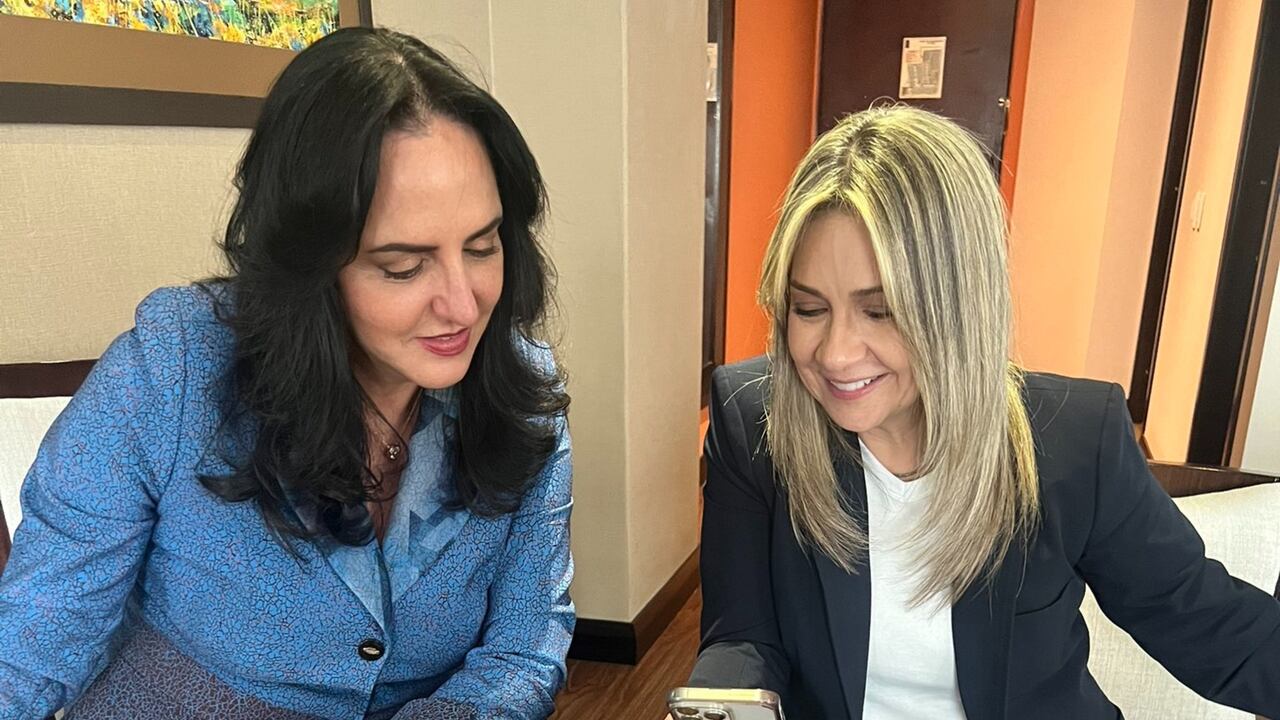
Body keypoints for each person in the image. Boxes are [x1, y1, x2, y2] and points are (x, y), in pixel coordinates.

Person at [0, 27, 573, 720]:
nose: (462, 304)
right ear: (309, 268)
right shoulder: (174, 367)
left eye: (482, 248)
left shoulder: (521, 395)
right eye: (402, 266)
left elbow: (526, 645)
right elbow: (32, 645)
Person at [688, 105, 1280, 718]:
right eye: (809, 310)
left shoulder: (1076, 441)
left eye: (881, 310)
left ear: (960, 306)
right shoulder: (751, 424)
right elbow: (743, 637)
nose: (836, 354)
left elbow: (1208, 625)